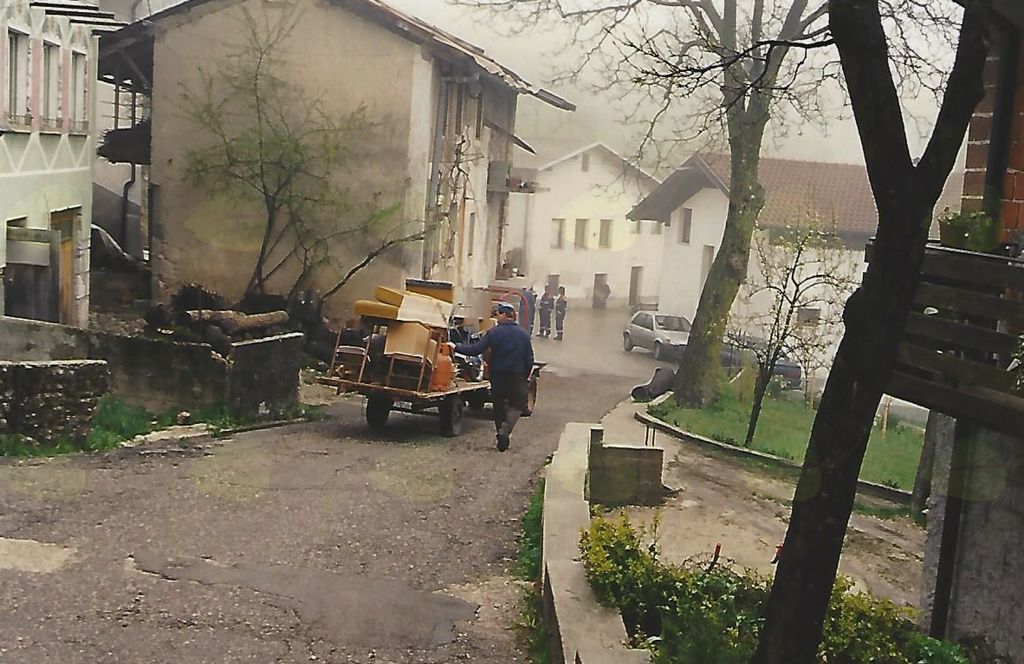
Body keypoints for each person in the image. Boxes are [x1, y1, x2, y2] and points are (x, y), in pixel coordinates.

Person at [452, 301, 534, 452]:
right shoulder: (523, 335)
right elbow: (529, 358)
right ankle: (505, 430)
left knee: (499, 406)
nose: (496, 317)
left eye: (498, 314)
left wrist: (456, 347)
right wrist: (525, 375)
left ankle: (500, 436)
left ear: (506, 315)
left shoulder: (493, 333)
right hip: (516, 375)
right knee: (518, 404)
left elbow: (475, 349)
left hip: (497, 376)